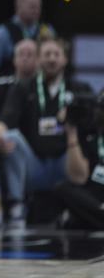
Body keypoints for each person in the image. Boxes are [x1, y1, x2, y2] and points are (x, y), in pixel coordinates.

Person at [0, 36, 92, 228]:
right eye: (47, 54)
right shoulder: (23, 87)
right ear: (38, 59)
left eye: (56, 54)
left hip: (66, 164)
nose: (52, 59)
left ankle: (85, 203)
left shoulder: (79, 89)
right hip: (35, 166)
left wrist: (72, 122)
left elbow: (93, 127)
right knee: (9, 137)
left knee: (84, 144)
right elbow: (6, 120)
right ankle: (16, 205)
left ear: (65, 59)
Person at [0, 0, 55, 92]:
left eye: (39, 7)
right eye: (32, 6)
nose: (36, 10)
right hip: (10, 92)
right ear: (18, 6)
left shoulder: (47, 31)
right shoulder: (3, 32)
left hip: (40, 94)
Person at [54, 93, 104, 229]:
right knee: (62, 188)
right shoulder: (88, 133)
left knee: (74, 221)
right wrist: (72, 134)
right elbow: (79, 178)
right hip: (94, 193)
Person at [0, 39, 38, 124]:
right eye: (21, 54)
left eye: (29, 54)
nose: (25, 58)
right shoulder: (0, 85)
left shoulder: (43, 86)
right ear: (14, 59)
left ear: (38, 59)